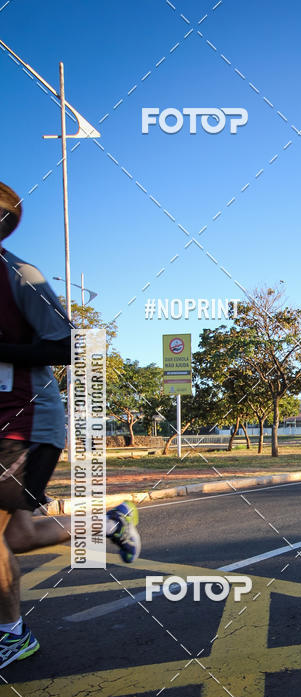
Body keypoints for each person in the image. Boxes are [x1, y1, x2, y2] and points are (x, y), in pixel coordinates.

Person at [0, 181, 141, 670]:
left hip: (23, 421)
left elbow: (66, 345)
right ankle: (109, 522)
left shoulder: (19, 275)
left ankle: (11, 636)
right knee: (15, 539)